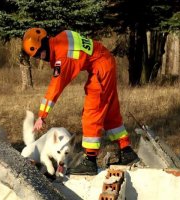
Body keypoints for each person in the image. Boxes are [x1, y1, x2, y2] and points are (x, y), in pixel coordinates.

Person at [22, 27, 139, 175]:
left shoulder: (63, 57)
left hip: (101, 69)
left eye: (39, 55)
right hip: (106, 62)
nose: (40, 58)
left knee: (92, 112)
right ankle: (127, 150)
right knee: (110, 112)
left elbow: (55, 88)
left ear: (43, 47)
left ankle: (90, 162)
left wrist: (42, 116)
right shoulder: (63, 36)